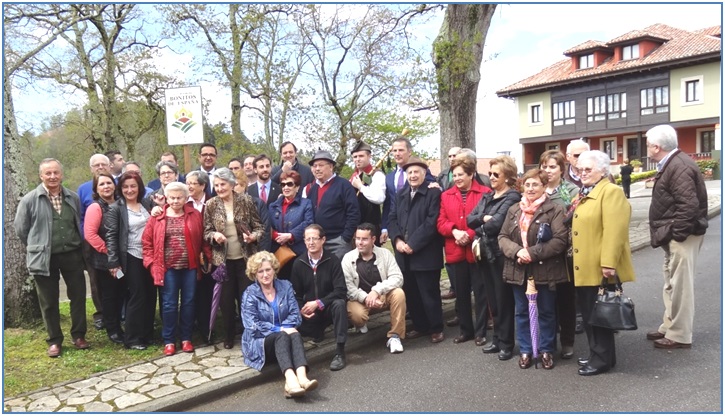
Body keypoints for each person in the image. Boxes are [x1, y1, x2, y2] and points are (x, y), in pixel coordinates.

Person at [14, 158, 89, 357]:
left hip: (72, 254)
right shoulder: (30, 199)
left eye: (56, 172)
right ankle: (54, 340)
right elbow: (22, 230)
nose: (52, 176)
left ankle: (79, 335)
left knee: (79, 296)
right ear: (41, 176)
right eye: (48, 173)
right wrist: (38, 246)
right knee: (48, 302)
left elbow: (77, 222)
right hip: (44, 258)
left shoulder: (72, 197)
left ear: (61, 174)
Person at [571, 150, 635, 375]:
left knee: (599, 314)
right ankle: (601, 356)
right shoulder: (588, 191)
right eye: (580, 169)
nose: (583, 173)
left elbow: (614, 231)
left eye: (588, 169)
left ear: (603, 170)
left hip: (599, 267)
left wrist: (608, 263)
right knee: (591, 313)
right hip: (586, 265)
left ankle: (600, 360)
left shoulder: (611, 192)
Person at [498, 168, 568, 370]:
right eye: (527, 184)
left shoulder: (554, 209)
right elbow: (502, 237)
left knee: (546, 311)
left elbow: (560, 240)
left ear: (544, 186)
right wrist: (518, 251)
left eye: (535, 184)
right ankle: (526, 350)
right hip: (518, 269)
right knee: (521, 312)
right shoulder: (514, 210)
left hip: (545, 269)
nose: (530, 188)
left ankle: (546, 350)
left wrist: (532, 253)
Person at [646, 124, 708, 349]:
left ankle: (679, 334)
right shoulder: (674, 163)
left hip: (683, 235)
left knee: (680, 285)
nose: (646, 149)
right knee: (671, 282)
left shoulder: (678, 165)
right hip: (675, 234)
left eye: (648, 145)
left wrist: (677, 235)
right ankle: (669, 326)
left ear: (656, 146)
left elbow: (688, 205)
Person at [143, 182, 210, 356]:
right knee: (169, 304)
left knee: (188, 302)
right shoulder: (157, 217)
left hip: (190, 267)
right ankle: (169, 340)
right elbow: (147, 243)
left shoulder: (194, 215)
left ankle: (186, 338)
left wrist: (207, 257)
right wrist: (151, 264)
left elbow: (203, 239)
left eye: (179, 197)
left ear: (186, 197)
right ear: (166, 197)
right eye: (171, 197)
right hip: (167, 268)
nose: (175, 200)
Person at [241, 251, 318, 398]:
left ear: (274, 269)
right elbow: (252, 326)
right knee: (283, 335)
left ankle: (301, 378)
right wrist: (280, 329)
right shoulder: (249, 294)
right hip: (260, 342)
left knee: (294, 333)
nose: (265, 274)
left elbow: (295, 315)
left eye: (268, 269)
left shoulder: (285, 286)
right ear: (254, 274)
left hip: (285, 338)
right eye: (260, 271)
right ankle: (291, 379)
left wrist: (286, 329)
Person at [203, 167, 265, 349]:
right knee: (226, 301)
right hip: (222, 261)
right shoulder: (211, 204)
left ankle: (250, 334)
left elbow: (259, 227)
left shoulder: (245, 201)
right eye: (216, 185)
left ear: (231, 184)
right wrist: (214, 235)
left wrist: (253, 237)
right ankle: (229, 335)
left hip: (245, 260)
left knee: (247, 298)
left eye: (223, 184)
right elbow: (206, 232)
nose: (220, 188)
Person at [467, 155, 521, 361]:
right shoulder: (487, 196)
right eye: (490, 173)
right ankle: (497, 338)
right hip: (485, 253)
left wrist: (481, 225)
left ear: (507, 176)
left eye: (495, 174)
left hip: (500, 255)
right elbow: (470, 219)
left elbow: (496, 225)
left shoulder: (512, 197)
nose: (491, 177)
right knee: (492, 299)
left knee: (503, 298)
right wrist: (482, 219)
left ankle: (507, 342)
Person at [388, 156, 445, 344]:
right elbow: (392, 218)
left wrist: (412, 243)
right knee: (411, 293)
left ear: (424, 174)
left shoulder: (433, 194)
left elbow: (431, 222)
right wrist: (396, 240)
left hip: (425, 253)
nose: (412, 175)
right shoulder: (401, 193)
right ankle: (420, 326)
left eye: (416, 172)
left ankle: (436, 328)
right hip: (403, 254)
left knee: (429, 293)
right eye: (409, 172)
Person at [437, 155, 492, 346]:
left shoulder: (485, 193)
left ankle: (480, 332)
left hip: (476, 250)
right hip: (455, 250)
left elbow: (485, 219)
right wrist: (454, 231)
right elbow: (441, 222)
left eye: (461, 174)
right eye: (454, 175)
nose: (457, 178)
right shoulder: (446, 195)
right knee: (460, 294)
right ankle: (465, 331)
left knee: (480, 292)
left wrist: (468, 234)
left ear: (471, 174)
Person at [105, 170, 155, 350]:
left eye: (133, 186)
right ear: (120, 188)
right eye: (125, 187)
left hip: (150, 256)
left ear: (139, 187)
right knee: (137, 295)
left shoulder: (146, 203)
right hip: (130, 257)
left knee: (150, 294)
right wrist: (113, 262)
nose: (129, 190)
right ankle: (132, 338)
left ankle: (147, 334)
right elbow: (110, 236)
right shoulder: (116, 208)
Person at [539, 149, 580, 360]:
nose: (547, 170)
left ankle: (567, 341)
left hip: (563, 254)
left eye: (552, 166)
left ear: (562, 169)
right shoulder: (536, 188)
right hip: (541, 254)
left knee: (565, 299)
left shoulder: (571, 191)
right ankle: (547, 341)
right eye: (544, 166)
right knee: (545, 300)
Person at [290, 225, 349, 371]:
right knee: (295, 325)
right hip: (310, 313)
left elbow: (341, 290)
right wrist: (301, 309)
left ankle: (340, 352)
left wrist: (319, 303)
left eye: (314, 239)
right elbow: (295, 294)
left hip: (327, 308)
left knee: (340, 304)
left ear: (323, 240)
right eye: (307, 239)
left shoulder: (333, 260)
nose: (311, 242)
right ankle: (316, 332)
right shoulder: (299, 263)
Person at [343, 223, 406, 354]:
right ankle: (360, 324)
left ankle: (395, 336)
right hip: (359, 299)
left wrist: (377, 291)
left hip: (381, 295)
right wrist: (366, 298)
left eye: (364, 239)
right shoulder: (347, 258)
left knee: (399, 293)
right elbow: (348, 288)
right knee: (356, 314)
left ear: (373, 239)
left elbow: (397, 277)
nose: (360, 242)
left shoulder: (385, 254)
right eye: (357, 238)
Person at [83, 172, 125, 345]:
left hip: (123, 259)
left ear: (114, 185)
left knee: (121, 292)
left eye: (109, 183)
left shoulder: (121, 203)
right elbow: (90, 234)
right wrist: (110, 251)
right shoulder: (95, 207)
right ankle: (113, 330)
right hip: (105, 261)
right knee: (109, 295)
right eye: (101, 184)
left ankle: (120, 325)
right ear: (96, 188)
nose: (106, 186)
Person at [304, 150, 361, 260]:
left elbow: (353, 212)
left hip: (338, 241)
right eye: (314, 166)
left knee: (340, 274)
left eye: (321, 165)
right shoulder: (312, 189)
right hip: (317, 242)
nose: (317, 169)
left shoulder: (343, 185)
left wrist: (345, 237)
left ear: (331, 167)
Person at [380, 136, 436, 245]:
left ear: (409, 152)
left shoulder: (421, 172)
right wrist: (384, 227)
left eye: (401, 150)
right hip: (396, 227)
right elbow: (388, 204)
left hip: (416, 225)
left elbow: (432, 187)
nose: (397, 153)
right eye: (394, 150)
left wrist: (437, 186)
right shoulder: (389, 177)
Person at [77, 153, 111, 331]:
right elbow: (79, 216)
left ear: (109, 166)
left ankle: (118, 311)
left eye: (103, 164)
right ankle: (101, 314)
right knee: (96, 280)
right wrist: (88, 237)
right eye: (96, 165)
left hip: (116, 241)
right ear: (91, 169)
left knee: (118, 278)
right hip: (91, 243)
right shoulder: (83, 189)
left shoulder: (116, 186)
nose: (100, 167)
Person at [186, 170, 215, 344]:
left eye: (192, 183)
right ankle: (191, 328)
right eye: (187, 183)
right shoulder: (184, 203)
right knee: (192, 293)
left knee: (207, 293)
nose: (188, 186)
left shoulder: (212, 202)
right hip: (190, 255)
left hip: (211, 255)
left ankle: (207, 330)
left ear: (203, 185)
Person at [268, 171, 314, 280]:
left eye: (290, 184)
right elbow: (267, 224)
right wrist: (276, 236)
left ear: (297, 187)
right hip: (278, 252)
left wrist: (290, 235)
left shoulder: (306, 203)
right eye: (283, 185)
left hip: (298, 251)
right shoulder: (273, 206)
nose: (286, 187)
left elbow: (309, 222)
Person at [349, 140, 386, 243]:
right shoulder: (353, 177)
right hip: (355, 227)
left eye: (361, 156)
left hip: (371, 226)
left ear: (369, 156)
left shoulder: (377, 174)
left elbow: (379, 198)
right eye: (355, 157)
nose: (357, 159)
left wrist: (361, 187)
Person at [437, 146, 461, 302]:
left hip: (465, 225)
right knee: (451, 263)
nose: (452, 158)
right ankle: (454, 288)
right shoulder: (443, 175)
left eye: (455, 155)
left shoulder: (478, 176)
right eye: (449, 155)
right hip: (448, 223)